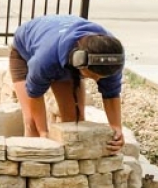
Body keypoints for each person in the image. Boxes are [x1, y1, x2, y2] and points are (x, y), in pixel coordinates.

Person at [10, 14, 126, 154]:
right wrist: (43, 134)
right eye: (93, 75)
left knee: (75, 121)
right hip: (25, 51)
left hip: (63, 52)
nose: (97, 80)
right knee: (32, 123)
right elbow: (35, 94)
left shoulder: (109, 57)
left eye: (101, 77)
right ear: (79, 61)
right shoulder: (45, 60)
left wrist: (116, 129)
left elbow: (111, 94)